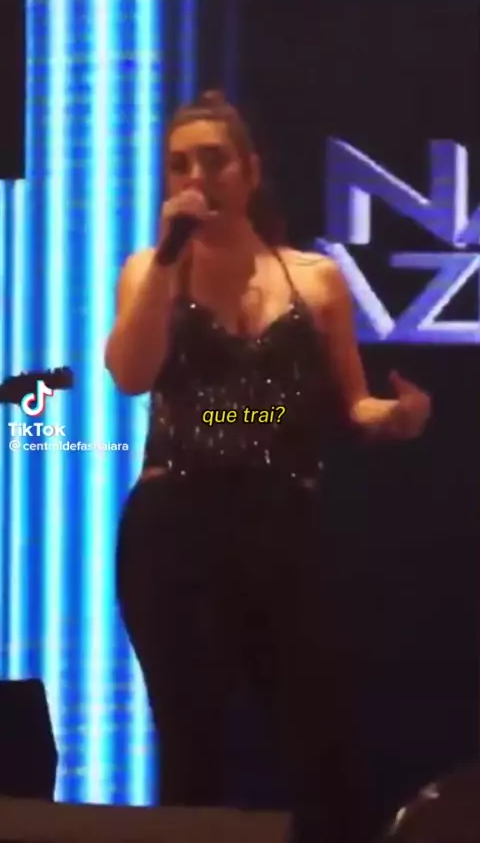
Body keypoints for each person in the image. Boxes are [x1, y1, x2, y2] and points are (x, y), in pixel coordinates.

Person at [105, 91, 431, 843]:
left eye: (213, 161)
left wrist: (396, 416)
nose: (196, 177)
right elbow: (129, 373)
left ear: (250, 172)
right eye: (179, 165)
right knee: (189, 744)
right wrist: (166, 257)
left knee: (321, 741)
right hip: (174, 530)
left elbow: (352, 403)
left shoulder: (315, 279)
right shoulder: (150, 271)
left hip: (282, 527)